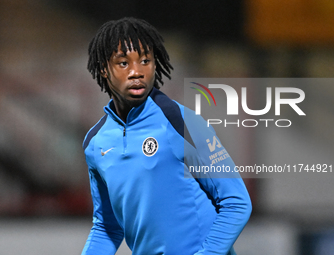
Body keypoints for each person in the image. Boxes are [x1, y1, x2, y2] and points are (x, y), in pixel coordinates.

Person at [82, 17, 252, 255]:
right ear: (103, 68)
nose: (136, 72)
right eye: (123, 63)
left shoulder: (180, 121)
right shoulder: (95, 142)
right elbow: (107, 227)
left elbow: (236, 202)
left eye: (145, 61)